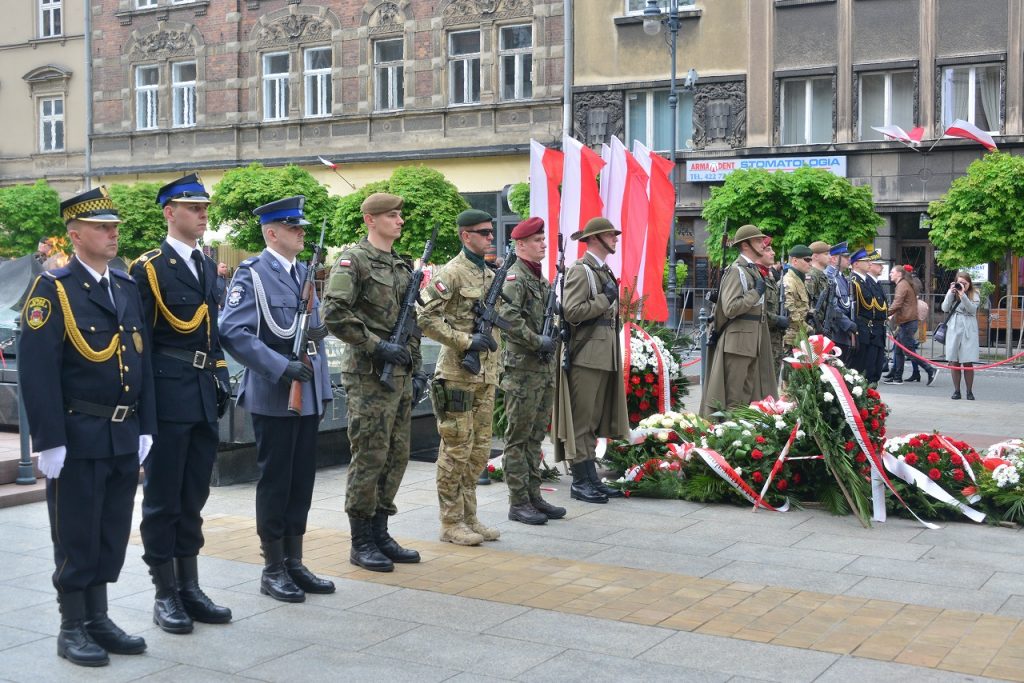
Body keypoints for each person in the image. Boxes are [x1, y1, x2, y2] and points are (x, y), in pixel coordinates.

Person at [19, 187, 155, 667]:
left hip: (122, 432)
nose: (113, 233)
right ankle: (72, 624)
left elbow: (143, 360)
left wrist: (146, 425)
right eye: (102, 227)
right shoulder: (52, 289)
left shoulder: (124, 285)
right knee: (76, 531)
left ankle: (98, 616)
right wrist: (48, 439)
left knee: (112, 529)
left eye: (115, 226)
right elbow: (37, 371)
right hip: (78, 434)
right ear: (75, 235)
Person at [219, 195, 335, 602]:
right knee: (276, 481)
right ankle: (272, 567)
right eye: (293, 227)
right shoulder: (252, 274)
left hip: (306, 394)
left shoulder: (303, 271)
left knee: (300, 480)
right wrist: (279, 367)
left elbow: (312, 335)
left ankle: (294, 561)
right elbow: (233, 331)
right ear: (272, 233)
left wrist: (321, 390)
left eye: (301, 227)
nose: (300, 233)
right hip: (275, 393)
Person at [130, 174, 232, 634]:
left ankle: (190, 586)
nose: (203, 214)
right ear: (170, 213)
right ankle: (165, 592)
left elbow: (212, 335)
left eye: (204, 207)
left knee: (193, 495)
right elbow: (140, 343)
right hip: (168, 394)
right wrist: (143, 411)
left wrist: (222, 378)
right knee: (163, 498)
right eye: (193, 207)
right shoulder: (149, 268)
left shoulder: (208, 266)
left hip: (202, 392)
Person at [321, 192, 425, 572]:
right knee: (369, 454)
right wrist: (377, 346)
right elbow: (333, 311)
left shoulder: (401, 264)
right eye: (392, 215)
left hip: (399, 373)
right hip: (368, 374)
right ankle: (360, 538)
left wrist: (414, 369)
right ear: (371, 219)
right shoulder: (354, 260)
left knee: (396, 455)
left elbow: (409, 321)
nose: (399, 221)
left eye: (400, 215)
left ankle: (381, 531)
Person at [416, 209, 504, 545]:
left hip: (485, 375)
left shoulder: (489, 272)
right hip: (456, 374)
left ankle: (470, 517)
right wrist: (465, 341)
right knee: (456, 449)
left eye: (491, 232)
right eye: (483, 232)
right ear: (465, 236)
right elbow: (425, 317)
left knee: (479, 452)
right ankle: (450, 523)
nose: (489, 237)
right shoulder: (451, 273)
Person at [553, 217, 630, 503]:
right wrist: (603, 300)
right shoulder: (580, 271)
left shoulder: (601, 270)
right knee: (582, 422)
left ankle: (591, 479)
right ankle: (580, 481)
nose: (616, 239)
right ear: (596, 238)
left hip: (602, 353)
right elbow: (572, 311)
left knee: (593, 420)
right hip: (586, 355)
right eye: (611, 235)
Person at [496, 217, 566, 525]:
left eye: (544, 239)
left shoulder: (540, 279)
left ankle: (534, 495)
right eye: (538, 240)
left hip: (541, 369)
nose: (544, 244)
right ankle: (518, 501)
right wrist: (539, 340)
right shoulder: (516, 278)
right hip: (522, 370)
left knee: (536, 437)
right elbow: (509, 320)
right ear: (521, 245)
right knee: (518, 438)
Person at [699, 224, 778, 418]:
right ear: (745, 245)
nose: (762, 244)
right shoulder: (737, 271)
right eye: (758, 240)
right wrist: (755, 292)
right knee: (734, 399)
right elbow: (731, 308)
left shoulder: (751, 270)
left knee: (747, 396)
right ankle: (728, 438)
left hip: (751, 340)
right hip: (738, 342)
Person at [885, 264, 934, 386]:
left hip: (907, 322)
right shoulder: (905, 284)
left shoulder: (902, 285)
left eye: (892, 272)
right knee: (898, 351)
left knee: (908, 351)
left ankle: (930, 369)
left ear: (899, 274)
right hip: (906, 321)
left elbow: (897, 304)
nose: (890, 274)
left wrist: (884, 314)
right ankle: (897, 377)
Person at [849, 249, 888, 383]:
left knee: (875, 370)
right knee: (864, 370)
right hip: (865, 329)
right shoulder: (854, 282)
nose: (869, 263)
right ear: (856, 264)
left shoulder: (866, 282)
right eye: (865, 261)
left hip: (875, 330)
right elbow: (855, 309)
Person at [942, 271, 981, 400]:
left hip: (968, 328)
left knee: (968, 361)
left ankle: (969, 391)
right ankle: (956, 391)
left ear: (969, 283)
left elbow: (972, 309)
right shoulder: (953, 293)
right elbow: (944, 308)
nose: (962, 285)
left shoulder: (974, 294)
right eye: (960, 283)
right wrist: (950, 293)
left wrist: (963, 294)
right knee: (954, 361)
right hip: (954, 327)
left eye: (965, 283)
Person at [757, 244, 788, 369]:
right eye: (768, 250)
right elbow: (756, 311)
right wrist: (777, 319)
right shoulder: (756, 276)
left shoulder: (769, 276)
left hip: (775, 343)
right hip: (762, 342)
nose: (773, 253)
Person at [782, 245, 813, 349]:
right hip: (791, 338)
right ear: (795, 261)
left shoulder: (799, 279)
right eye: (807, 260)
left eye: (811, 260)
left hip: (800, 336)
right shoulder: (789, 281)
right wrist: (807, 328)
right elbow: (789, 309)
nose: (810, 263)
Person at [806, 241, 831, 311]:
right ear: (816, 257)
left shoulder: (821, 274)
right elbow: (808, 303)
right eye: (826, 254)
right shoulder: (811, 276)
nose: (830, 257)